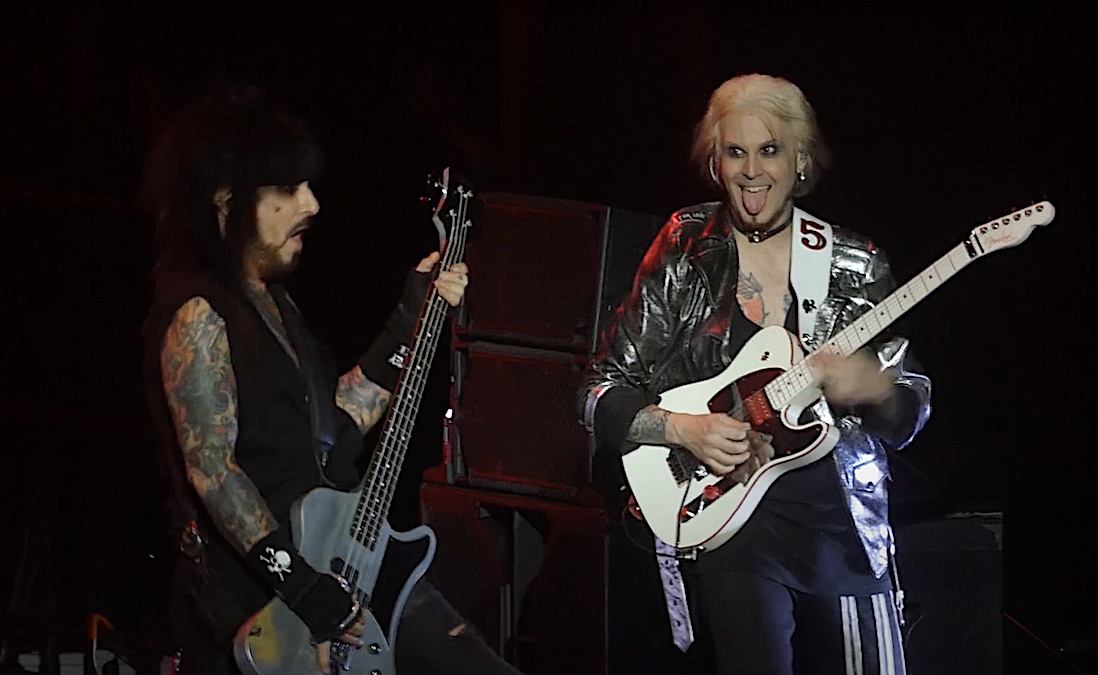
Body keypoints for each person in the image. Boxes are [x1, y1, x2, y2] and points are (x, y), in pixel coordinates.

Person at [139, 82, 523, 675]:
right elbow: (213, 470)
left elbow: (334, 423)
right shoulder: (197, 313)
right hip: (270, 611)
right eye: (288, 189)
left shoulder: (275, 303)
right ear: (226, 201)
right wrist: (302, 587)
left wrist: (409, 319)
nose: (312, 204)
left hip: (341, 570)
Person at [580, 73, 932, 675]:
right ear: (714, 164)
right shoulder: (687, 248)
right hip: (730, 524)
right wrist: (683, 430)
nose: (751, 171)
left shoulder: (852, 261)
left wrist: (874, 391)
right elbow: (597, 393)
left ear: (800, 160)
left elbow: (910, 409)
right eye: (735, 152)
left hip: (842, 525)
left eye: (769, 150)